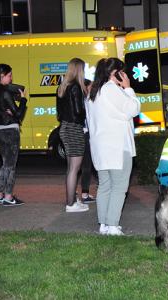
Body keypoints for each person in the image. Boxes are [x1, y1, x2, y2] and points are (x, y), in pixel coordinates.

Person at [86, 57, 140, 236]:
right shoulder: (111, 90)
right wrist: (128, 88)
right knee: (119, 186)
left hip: (100, 148)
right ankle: (113, 225)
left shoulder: (93, 92)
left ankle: (104, 224)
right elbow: (133, 109)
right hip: (117, 146)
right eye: (122, 71)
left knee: (105, 185)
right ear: (115, 73)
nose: (124, 75)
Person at [0, 63, 27, 206]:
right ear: (2, 75)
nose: (11, 79)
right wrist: (23, 99)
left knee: (5, 164)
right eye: (9, 75)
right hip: (10, 130)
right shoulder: (6, 92)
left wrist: (10, 113)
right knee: (10, 166)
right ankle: (8, 197)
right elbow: (18, 114)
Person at [57, 58, 89, 213]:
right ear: (78, 70)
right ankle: (70, 204)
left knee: (71, 168)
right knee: (74, 168)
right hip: (74, 128)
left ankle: (72, 200)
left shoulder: (62, 87)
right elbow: (78, 111)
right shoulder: (76, 87)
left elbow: (59, 113)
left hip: (64, 127)